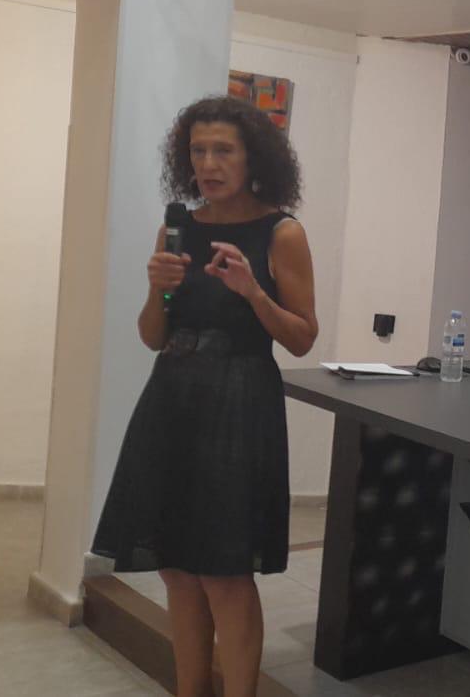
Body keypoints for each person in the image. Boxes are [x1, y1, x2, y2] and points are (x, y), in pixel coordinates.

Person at [92, 96, 318, 697]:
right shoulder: (179, 227)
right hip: (170, 401)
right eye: (198, 151)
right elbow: (152, 335)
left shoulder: (282, 232)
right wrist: (156, 291)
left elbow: (301, 338)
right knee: (175, 568)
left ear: (253, 158)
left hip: (240, 406)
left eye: (224, 150)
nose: (210, 163)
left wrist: (252, 292)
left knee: (224, 573)